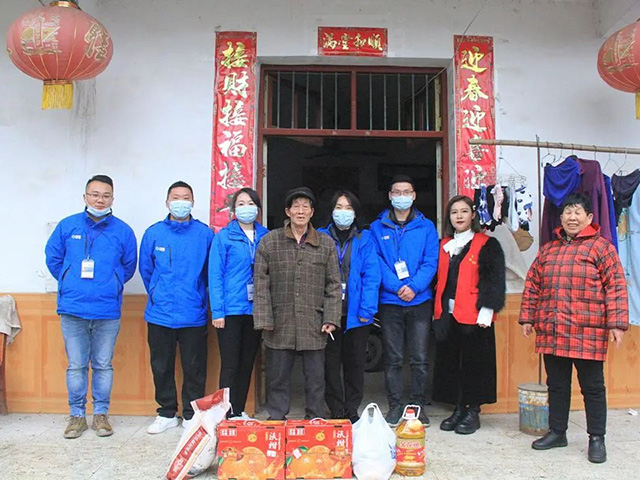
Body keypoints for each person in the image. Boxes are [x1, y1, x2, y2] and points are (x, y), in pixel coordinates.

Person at [519, 193, 628, 464]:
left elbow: (616, 286)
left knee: (592, 387)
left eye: (578, 212)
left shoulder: (602, 248)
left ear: (589, 218)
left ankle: (596, 438)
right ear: (561, 217)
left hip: (587, 331)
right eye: (568, 212)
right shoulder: (548, 250)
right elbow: (532, 284)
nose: (572, 217)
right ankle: (557, 432)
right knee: (556, 385)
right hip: (553, 329)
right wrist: (528, 318)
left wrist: (617, 324)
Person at [45, 175, 137, 439]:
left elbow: (129, 266)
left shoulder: (123, 231)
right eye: (95, 194)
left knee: (103, 365)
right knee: (76, 365)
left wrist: (111, 283)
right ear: (85, 197)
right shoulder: (67, 226)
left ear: (112, 199)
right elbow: (53, 258)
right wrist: (70, 280)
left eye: (106, 195)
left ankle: (100, 415)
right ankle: (76, 416)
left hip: (107, 310)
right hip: (73, 308)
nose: (100, 200)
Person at [253, 187, 341, 420]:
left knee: (315, 378)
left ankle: (315, 418)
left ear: (312, 212)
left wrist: (331, 318)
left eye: (305, 207)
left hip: (314, 321)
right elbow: (260, 283)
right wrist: (264, 319)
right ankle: (276, 418)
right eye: (296, 206)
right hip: (279, 321)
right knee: (277, 377)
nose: (300, 211)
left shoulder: (325, 243)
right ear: (288, 211)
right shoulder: (270, 242)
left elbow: (334, 284)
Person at [139, 181, 214, 434]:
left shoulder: (204, 234)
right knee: (161, 366)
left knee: (195, 367)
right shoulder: (154, 233)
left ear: (193, 202)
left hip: (193, 312)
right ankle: (166, 413)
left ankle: (192, 414)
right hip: (160, 313)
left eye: (186, 198)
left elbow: (210, 272)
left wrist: (199, 296)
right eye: (176, 197)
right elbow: (146, 270)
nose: (181, 202)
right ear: (167, 202)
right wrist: (158, 293)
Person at [432, 195, 506, 434]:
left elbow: (494, 280)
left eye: (464, 211)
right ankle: (458, 407)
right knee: (452, 363)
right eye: (454, 212)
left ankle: (473, 411)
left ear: (473, 214)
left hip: (475, 316)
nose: (459, 216)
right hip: (448, 314)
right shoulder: (444, 245)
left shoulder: (487, 244)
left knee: (476, 365)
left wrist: (487, 310)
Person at [370, 174, 439, 426]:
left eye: (406, 192)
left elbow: (431, 261)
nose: (402, 196)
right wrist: (398, 286)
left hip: (419, 301)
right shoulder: (377, 227)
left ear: (414, 195)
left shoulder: (426, 227)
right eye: (397, 192)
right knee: (393, 358)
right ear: (390, 196)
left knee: (419, 357)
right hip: (390, 302)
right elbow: (376, 261)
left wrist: (415, 287)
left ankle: (418, 406)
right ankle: (395, 406)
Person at [319, 191, 381, 423]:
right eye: (338, 207)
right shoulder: (321, 236)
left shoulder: (365, 239)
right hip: (329, 313)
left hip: (357, 314)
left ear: (355, 212)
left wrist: (367, 309)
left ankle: (351, 408)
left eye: (348, 208)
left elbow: (372, 275)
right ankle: (335, 407)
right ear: (331, 211)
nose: (343, 213)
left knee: (355, 364)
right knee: (330, 364)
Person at [209, 188, 268, 418]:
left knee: (247, 363)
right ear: (234, 209)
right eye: (241, 203)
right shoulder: (224, 237)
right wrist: (218, 311)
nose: (246, 208)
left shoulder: (266, 236)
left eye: (250, 203)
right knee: (230, 364)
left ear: (258, 208)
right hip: (231, 310)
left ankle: (239, 410)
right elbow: (215, 275)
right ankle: (226, 413)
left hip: (256, 310)